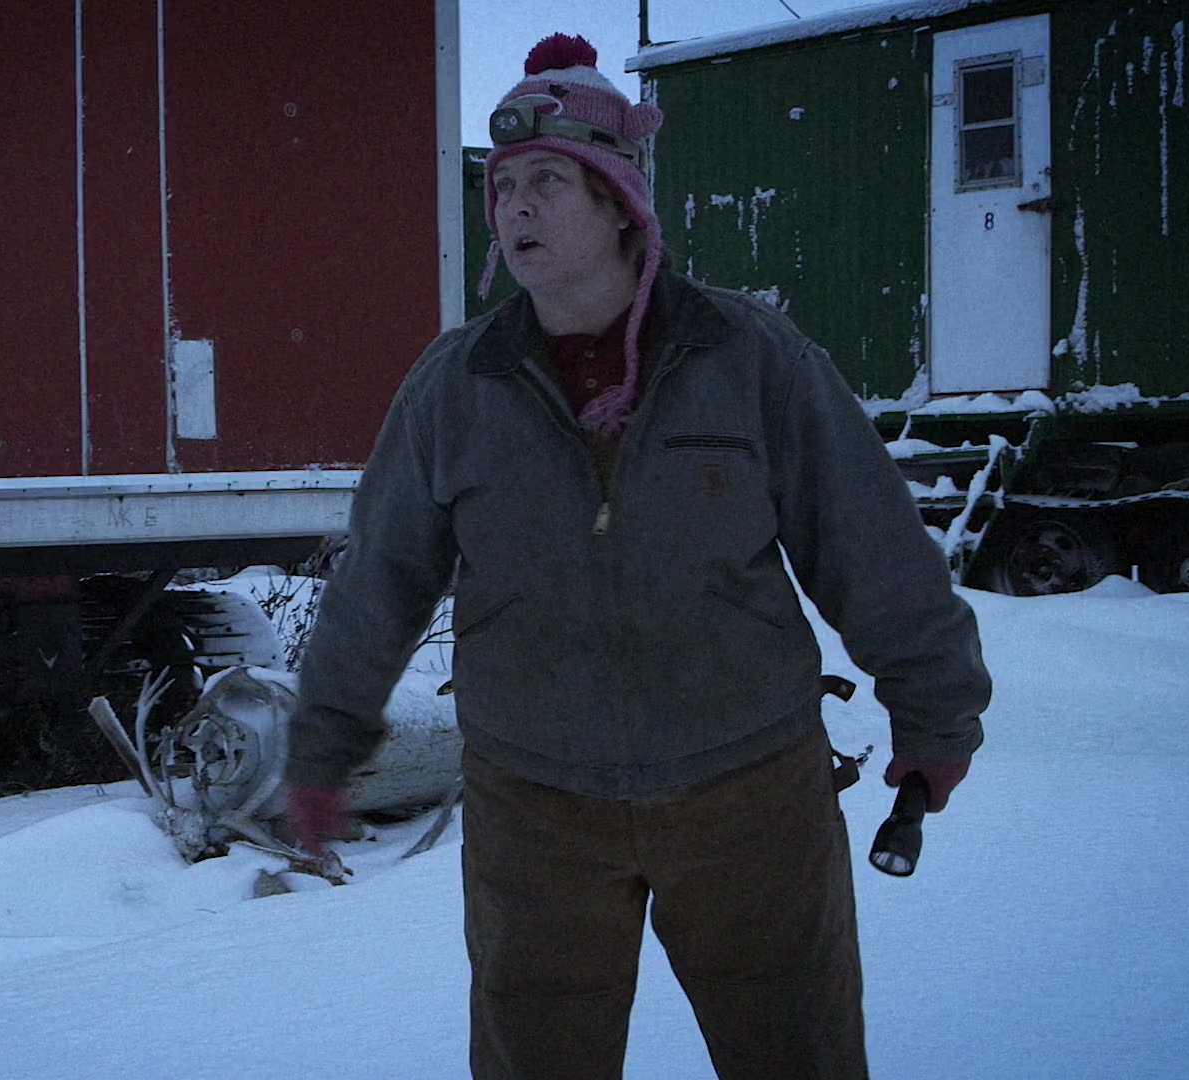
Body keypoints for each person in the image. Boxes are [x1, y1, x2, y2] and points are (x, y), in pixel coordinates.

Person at [282, 32, 990, 1080]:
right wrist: (322, 744)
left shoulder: (750, 359)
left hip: (748, 792)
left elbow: (872, 546)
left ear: (620, 202)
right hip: (535, 809)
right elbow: (376, 585)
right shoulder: (455, 387)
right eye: (504, 186)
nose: (515, 207)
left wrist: (935, 711)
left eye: (548, 182)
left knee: (797, 1055)